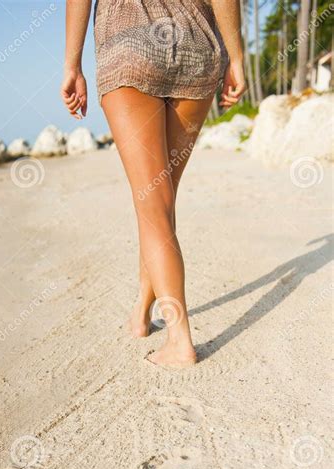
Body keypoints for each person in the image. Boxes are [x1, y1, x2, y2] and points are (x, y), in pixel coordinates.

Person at [61, 0, 245, 368]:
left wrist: (72, 63)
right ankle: (142, 312)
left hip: (128, 44)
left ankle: (179, 341)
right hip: (197, 45)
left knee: (152, 204)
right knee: (160, 201)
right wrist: (236, 56)